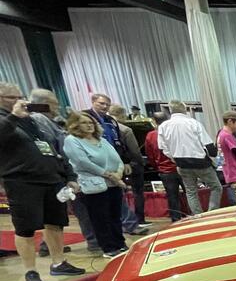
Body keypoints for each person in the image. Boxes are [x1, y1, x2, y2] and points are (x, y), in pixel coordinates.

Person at [0, 83, 85, 281]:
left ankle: (59, 262)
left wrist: (69, 175)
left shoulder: (31, 120)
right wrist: (14, 116)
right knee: (25, 228)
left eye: (20, 96)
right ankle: (31, 271)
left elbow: (51, 148)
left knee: (55, 223)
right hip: (22, 182)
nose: (20, 100)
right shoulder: (8, 120)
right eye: (13, 97)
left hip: (51, 178)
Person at [29, 87, 98, 254]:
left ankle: (47, 245)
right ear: (44, 104)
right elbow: (51, 146)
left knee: (57, 213)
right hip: (58, 172)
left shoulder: (49, 120)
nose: (58, 107)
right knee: (78, 208)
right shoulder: (39, 119)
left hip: (59, 171)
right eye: (54, 103)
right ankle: (93, 241)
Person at [62, 111, 129, 260]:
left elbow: (117, 159)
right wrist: (109, 175)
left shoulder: (101, 140)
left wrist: (118, 174)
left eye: (91, 122)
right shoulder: (72, 140)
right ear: (75, 125)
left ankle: (120, 243)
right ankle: (109, 247)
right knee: (100, 218)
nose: (89, 125)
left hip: (113, 183)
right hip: (94, 185)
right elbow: (83, 162)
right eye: (84, 123)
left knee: (115, 216)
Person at [85, 93, 148, 235]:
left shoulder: (111, 121)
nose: (105, 107)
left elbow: (119, 142)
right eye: (101, 103)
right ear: (93, 102)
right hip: (95, 165)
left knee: (117, 196)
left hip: (114, 163)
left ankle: (128, 226)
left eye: (107, 104)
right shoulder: (86, 117)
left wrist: (125, 161)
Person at [159, 100, 222, 215]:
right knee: (216, 187)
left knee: (191, 191)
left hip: (181, 163)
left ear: (170, 110)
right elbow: (208, 145)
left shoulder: (163, 126)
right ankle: (212, 213)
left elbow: (163, 148)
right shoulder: (193, 123)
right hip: (200, 162)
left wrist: (174, 159)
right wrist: (213, 155)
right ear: (185, 109)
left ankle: (197, 216)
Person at [109, 104, 149, 227]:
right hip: (131, 165)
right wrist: (141, 162)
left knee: (120, 194)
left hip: (113, 166)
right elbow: (134, 150)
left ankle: (123, 220)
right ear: (122, 114)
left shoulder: (105, 128)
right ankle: (139, 219)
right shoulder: (126, 130)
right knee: (138, 192)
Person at [144, 112, 185, 221]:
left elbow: (150, 155)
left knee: (172, 196)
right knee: (191, 194)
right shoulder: (174, 131)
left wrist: (157, 166)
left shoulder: (150, 136)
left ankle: (176, 220)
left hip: (165, 171)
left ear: (154, 121)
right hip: (182, 167)